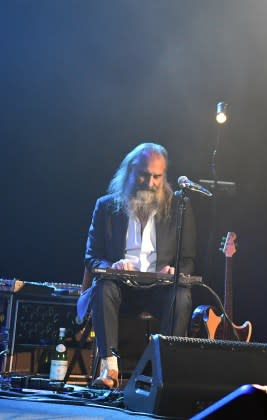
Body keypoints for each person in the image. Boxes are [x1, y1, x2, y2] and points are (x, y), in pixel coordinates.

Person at [77, 142, 196, 389]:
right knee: (103, 287)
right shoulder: (106, 206)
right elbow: (92, 256)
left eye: (157, 176)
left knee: (181, 295)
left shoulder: (178, 208)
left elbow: (187, 259)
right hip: (121, 289)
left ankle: (164, 372)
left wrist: (176, 272)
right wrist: (113, 266)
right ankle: (109, 370)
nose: (150, 183)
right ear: (131, 171)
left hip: (158, 290)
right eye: (144, 174)